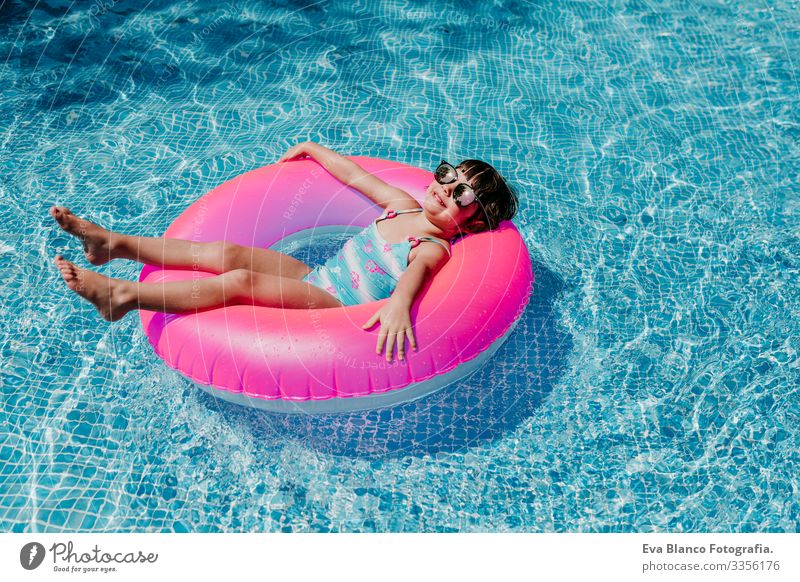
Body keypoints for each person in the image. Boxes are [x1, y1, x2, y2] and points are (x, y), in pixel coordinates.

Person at [52, 142, 517, 361]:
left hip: (335, 304)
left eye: (461, 195)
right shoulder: (402, 205)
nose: (446, 189)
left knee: (239, 283)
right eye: (447, 175)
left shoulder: (432, 246)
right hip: (317, 275)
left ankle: (123, 297)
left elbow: (416, 277)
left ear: (473, 221)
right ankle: (112, 243)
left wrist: (399, 306)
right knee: (228, 252)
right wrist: (315, 149)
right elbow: (356, 177)